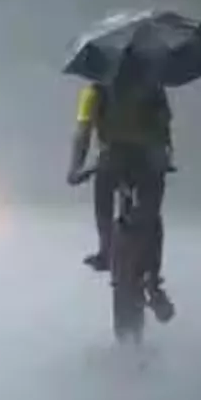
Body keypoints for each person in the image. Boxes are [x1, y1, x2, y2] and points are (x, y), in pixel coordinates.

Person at [66, 53, 175, 322]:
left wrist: (75, 168)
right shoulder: (154, 87)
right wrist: (166, 158)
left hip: (113, 160)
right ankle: (153, 281)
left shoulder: (95, 90)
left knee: (103, 198)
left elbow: (83, 132)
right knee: (151, 214)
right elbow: (165, 129)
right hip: (148, 163)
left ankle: (105, 249)